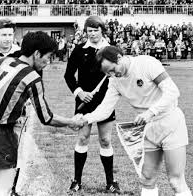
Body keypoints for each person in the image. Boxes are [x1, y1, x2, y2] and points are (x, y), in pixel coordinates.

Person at [0, 31, 83, 196]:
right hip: (0, 135)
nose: (47, 62)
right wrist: (72, 122)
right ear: (36, 53)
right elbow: (47, 118)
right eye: (47, 57)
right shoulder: (32, 78)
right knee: (2, 192)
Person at [76, 45, 192, 196]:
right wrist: (86, 118)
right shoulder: (114, 81)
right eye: (107, 73)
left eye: (112, 70)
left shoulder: (146, 64)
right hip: (147, 130)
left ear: (119, 58)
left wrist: (151, 112)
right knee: (147, 179)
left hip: (171, 124)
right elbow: (105, 109)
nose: (111, 75)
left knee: (176, 181)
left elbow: (172, 91)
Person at [64, 16, 120, 193]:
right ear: (85, 32)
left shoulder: (111, 51)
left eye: (96, 30)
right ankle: (76, 181)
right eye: (90, 30)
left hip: (106, 102)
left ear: (102, 30)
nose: (93, 34)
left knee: (105, 140)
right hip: (84, 102)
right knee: (82, 138)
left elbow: (120, 72)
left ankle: (110, 182)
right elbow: (68, 75)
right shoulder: (79, 50)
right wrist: (79, 92)